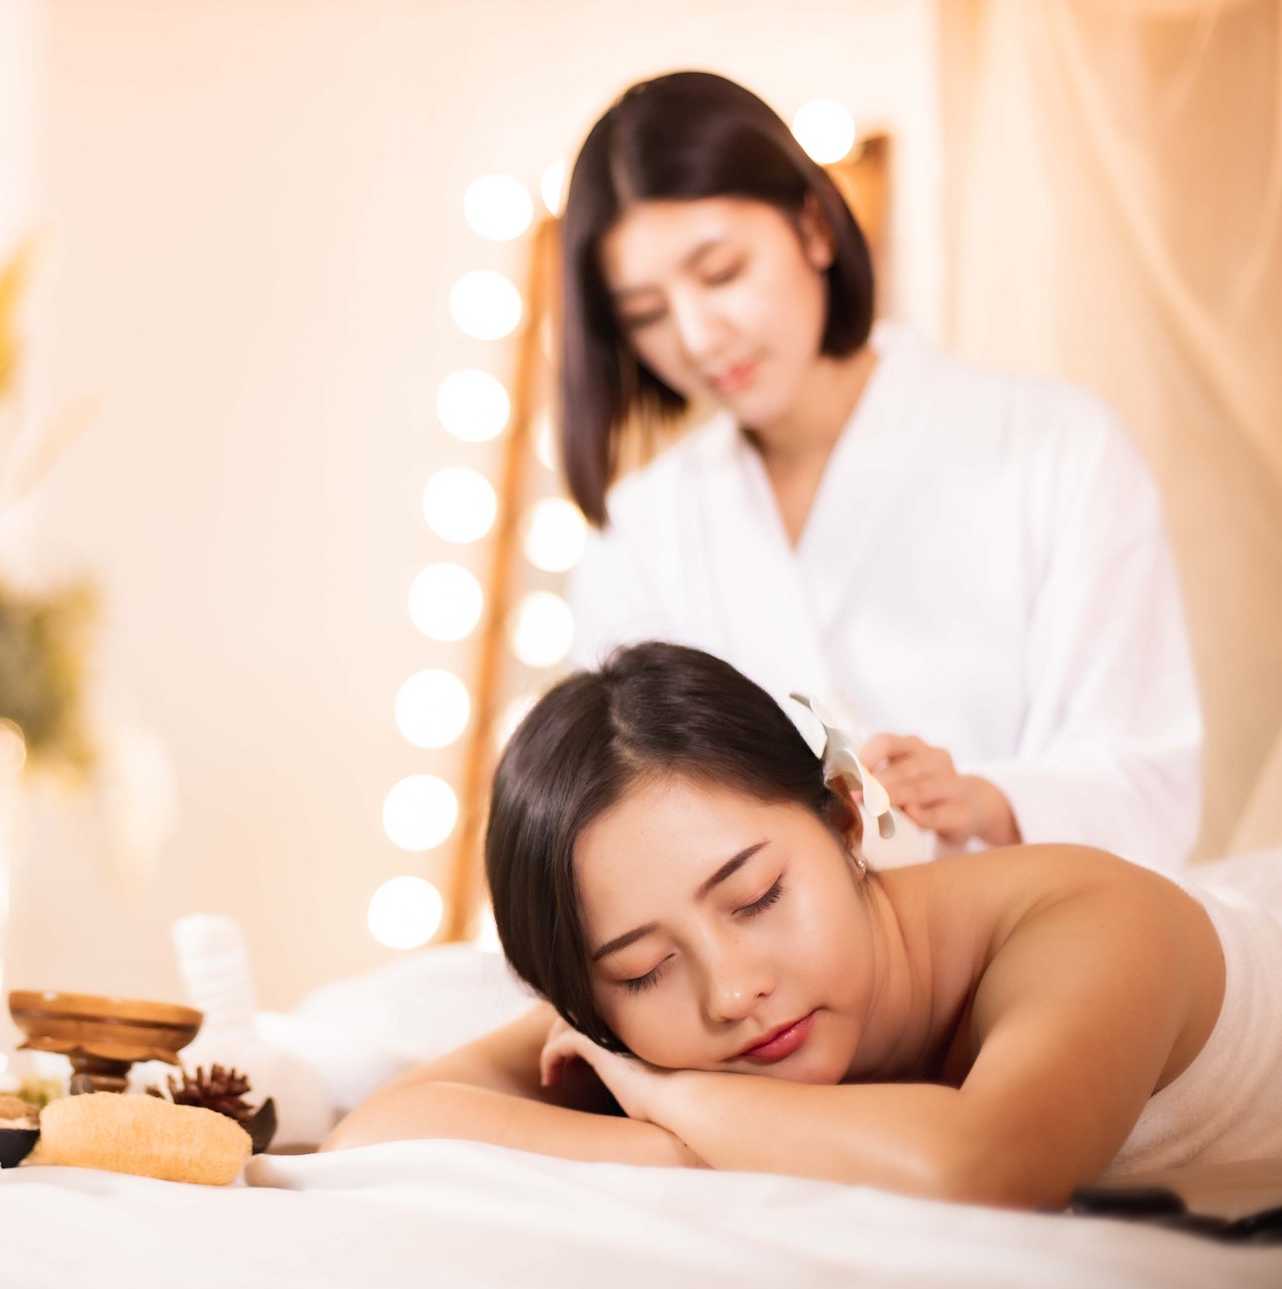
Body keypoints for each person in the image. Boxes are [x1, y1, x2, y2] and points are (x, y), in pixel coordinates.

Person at [323, 644, 1282, 1207]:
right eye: (646, 968)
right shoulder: (651, 1014)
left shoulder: (1091, 920)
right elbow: (379, 1131)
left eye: (757, 897)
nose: (731, 989)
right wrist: (670, 1139)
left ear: (846, 818)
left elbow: (985, 1167)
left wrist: (669, 1096)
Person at [558, 71, 1201, 870]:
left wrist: (983, 800)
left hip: (1031, 920)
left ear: (815, 228)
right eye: (646, 313)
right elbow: (617, 826)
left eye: (722, 272)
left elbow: (1148, 778)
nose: (695, 336)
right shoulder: (639, 531)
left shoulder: (1056, 446)